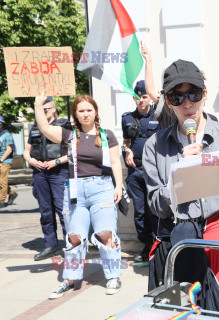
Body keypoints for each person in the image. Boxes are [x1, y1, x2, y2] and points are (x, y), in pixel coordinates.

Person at [143, 59, 219, 314]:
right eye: (177, 96)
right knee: (179, 314)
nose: (187, 104)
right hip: (175, 242)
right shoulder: (154, 145)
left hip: (218, 237)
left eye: (193, 94)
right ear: (166, 100)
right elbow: (156, 207)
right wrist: (180, 174)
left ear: (205, 94)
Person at [34, 92, 123, 299]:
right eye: (81, 110)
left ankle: (113, 276)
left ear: (95, 112)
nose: (85, 114)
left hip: (102, 188)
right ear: (75, 113)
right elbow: (45, 129)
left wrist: (118, 185)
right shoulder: (69, 133)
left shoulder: (107, 134)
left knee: (105, 234)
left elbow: (116, 161)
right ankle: (70, 278)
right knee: (74, 238)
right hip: (74, 190)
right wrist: (38, 105)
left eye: (89, 110)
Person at [23, 97, 71, 261]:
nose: (42, 114)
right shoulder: (35, 128)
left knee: (63, 210)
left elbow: (74, 151)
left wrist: (57, 161)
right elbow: (26, 150)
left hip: (58, 172)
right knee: (45, 212)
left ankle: (70, 246)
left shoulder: (64, 125)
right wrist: (30, 160)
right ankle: (50, 245)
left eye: (45, 110)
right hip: (39, 173)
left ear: (53, 109)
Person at [122, 80, 160, 263]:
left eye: (144, 97)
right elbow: (126, 141)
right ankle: (146, 244)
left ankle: (160, 245)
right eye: (138, 97)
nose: (141, 100)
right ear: (133, 97)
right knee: (140, 211)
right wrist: (126, 150)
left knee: (156, 209)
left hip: (154, 170)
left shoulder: (159, 115)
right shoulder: (127, 118)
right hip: (135, 171)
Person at [0, 115, 17, 208]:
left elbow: (9, 150)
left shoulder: (7, 135)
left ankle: (1, 201)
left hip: (5, 161)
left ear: (2, 124)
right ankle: (12, 193)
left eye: (0, 123)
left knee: (3, 181)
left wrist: (1, 160)